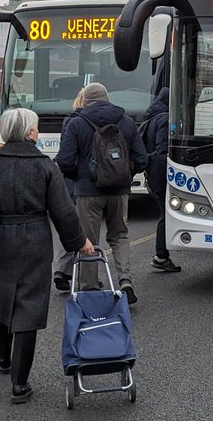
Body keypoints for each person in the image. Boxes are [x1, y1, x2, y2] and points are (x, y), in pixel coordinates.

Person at [0, 108, 94, 405]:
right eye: (36, 127)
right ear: (28, 132)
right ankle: (20, 384)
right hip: (33, 240)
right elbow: (63, 211)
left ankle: (2, 355)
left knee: (1, 298)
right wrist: (79, 242)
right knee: (28, 307)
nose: (38, 132)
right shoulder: (44, 166)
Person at [55, 82, 148, 299]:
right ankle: (125, 281)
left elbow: (65, 160)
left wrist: (79, 177)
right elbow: (142, 158)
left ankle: (89, 288)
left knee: (88, 239)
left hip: (88, 193)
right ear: (107, 99)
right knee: (120, 235)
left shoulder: (77, 124)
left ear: (85, 101)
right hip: (119, 191)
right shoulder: (126, 122)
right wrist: (126, 174)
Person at [52, 88, 89, 291]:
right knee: (85, 226)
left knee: (69, 224)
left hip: (67, 179)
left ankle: (61, 269)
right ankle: (84, 273)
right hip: (83, 180)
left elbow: (64, 154)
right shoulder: (88, 122)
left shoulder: (69, 120)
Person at [142, 86, 181, 273]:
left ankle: (162, 255)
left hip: (152, 172)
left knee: (163, 213)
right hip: (161, 173)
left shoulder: (151, 117)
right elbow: (162, 150)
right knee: (165, 214)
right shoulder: (165, 119)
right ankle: (161, 255)